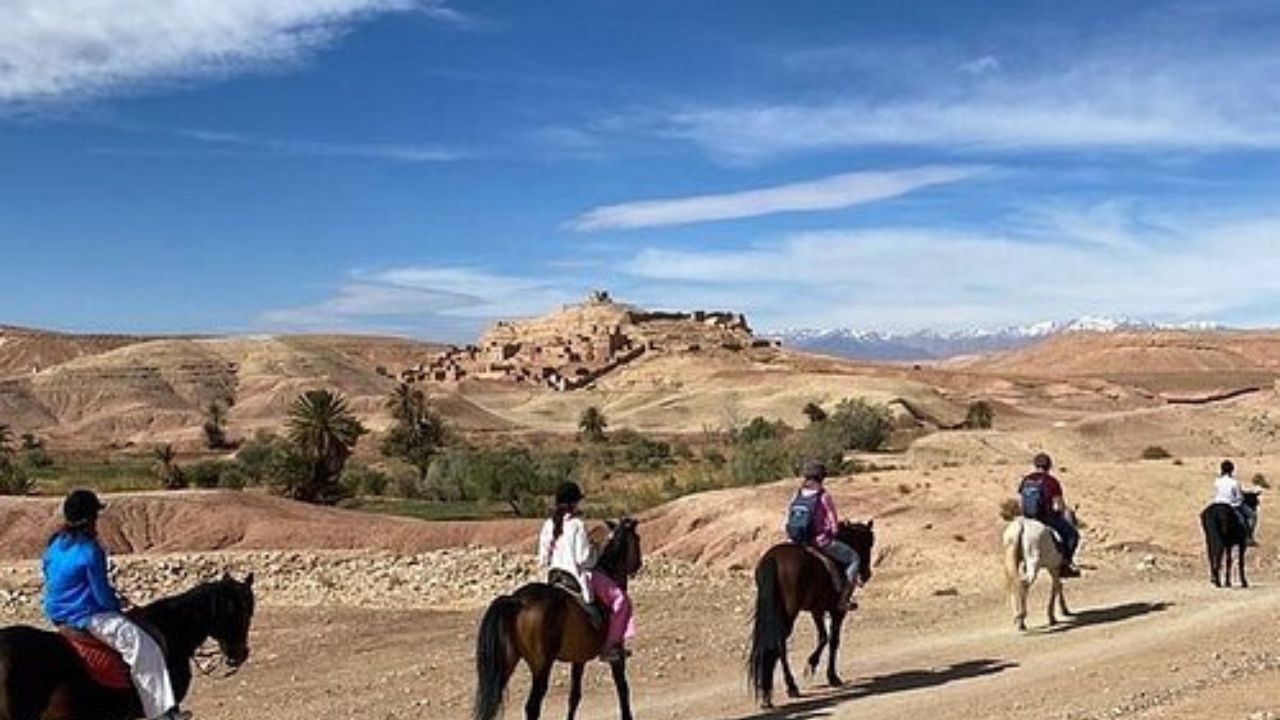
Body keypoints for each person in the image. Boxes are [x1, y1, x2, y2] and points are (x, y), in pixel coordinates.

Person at [42, 490, 189, 720]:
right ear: (90, 519)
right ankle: (162, 714)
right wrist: (121, 606)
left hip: (56, 613)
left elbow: (50, 576)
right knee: (145, 647)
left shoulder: (54, 545)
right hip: (85, 617)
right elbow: (102, 597)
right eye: (95, 517)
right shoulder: (91, 551)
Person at [537, 481, 634, 663]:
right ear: (574, 503)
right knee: (621, 600)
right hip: (576, 576)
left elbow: (542, 558)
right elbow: (584, 560)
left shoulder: (547, 525)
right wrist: (596, 550)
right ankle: (610, 646)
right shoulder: (577, 525)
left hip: (554, 577)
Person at [786, 460, 860, 612]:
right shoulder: (824, 496)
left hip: (797, 540)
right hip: (820, 542)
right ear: (821, 477)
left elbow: (789, 517)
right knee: (854, 558)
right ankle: (844, 599)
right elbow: (833, 524)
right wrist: (833, 532)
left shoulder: (796, 495)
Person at [1018, 453, 1081, 577]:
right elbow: (1059, 504)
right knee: (1073, 535)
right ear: (1049, 466)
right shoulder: (1051, 482)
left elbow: (1021, 501)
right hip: (1045, 518)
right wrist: (1061, 512)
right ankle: (1066, 563)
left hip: (1027, 517)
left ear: (1035, 465)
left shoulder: (1026, 480)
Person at [1213, 460, 1257, 546]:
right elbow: (1239, 497)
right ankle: (1248, 537)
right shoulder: (1234, 483)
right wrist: (1239, 500)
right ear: (1232, 470)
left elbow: (1215, 494)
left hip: (1217, 504)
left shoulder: (1217, 481)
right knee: (1253, 516)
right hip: (1232, 506)